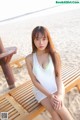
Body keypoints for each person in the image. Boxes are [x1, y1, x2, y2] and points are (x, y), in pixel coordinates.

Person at [25, 26, 73, 120]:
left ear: (48, 39)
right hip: (41, 91)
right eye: (37, 39)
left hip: (55, 87)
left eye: (44, 39)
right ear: (33, 40)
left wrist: (59, 95)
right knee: (55, 114)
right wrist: (50, 96)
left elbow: (58, 77)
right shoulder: (29, 59)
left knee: (61, 110)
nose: (41, 43)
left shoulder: (54, 55)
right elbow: (35, 82)